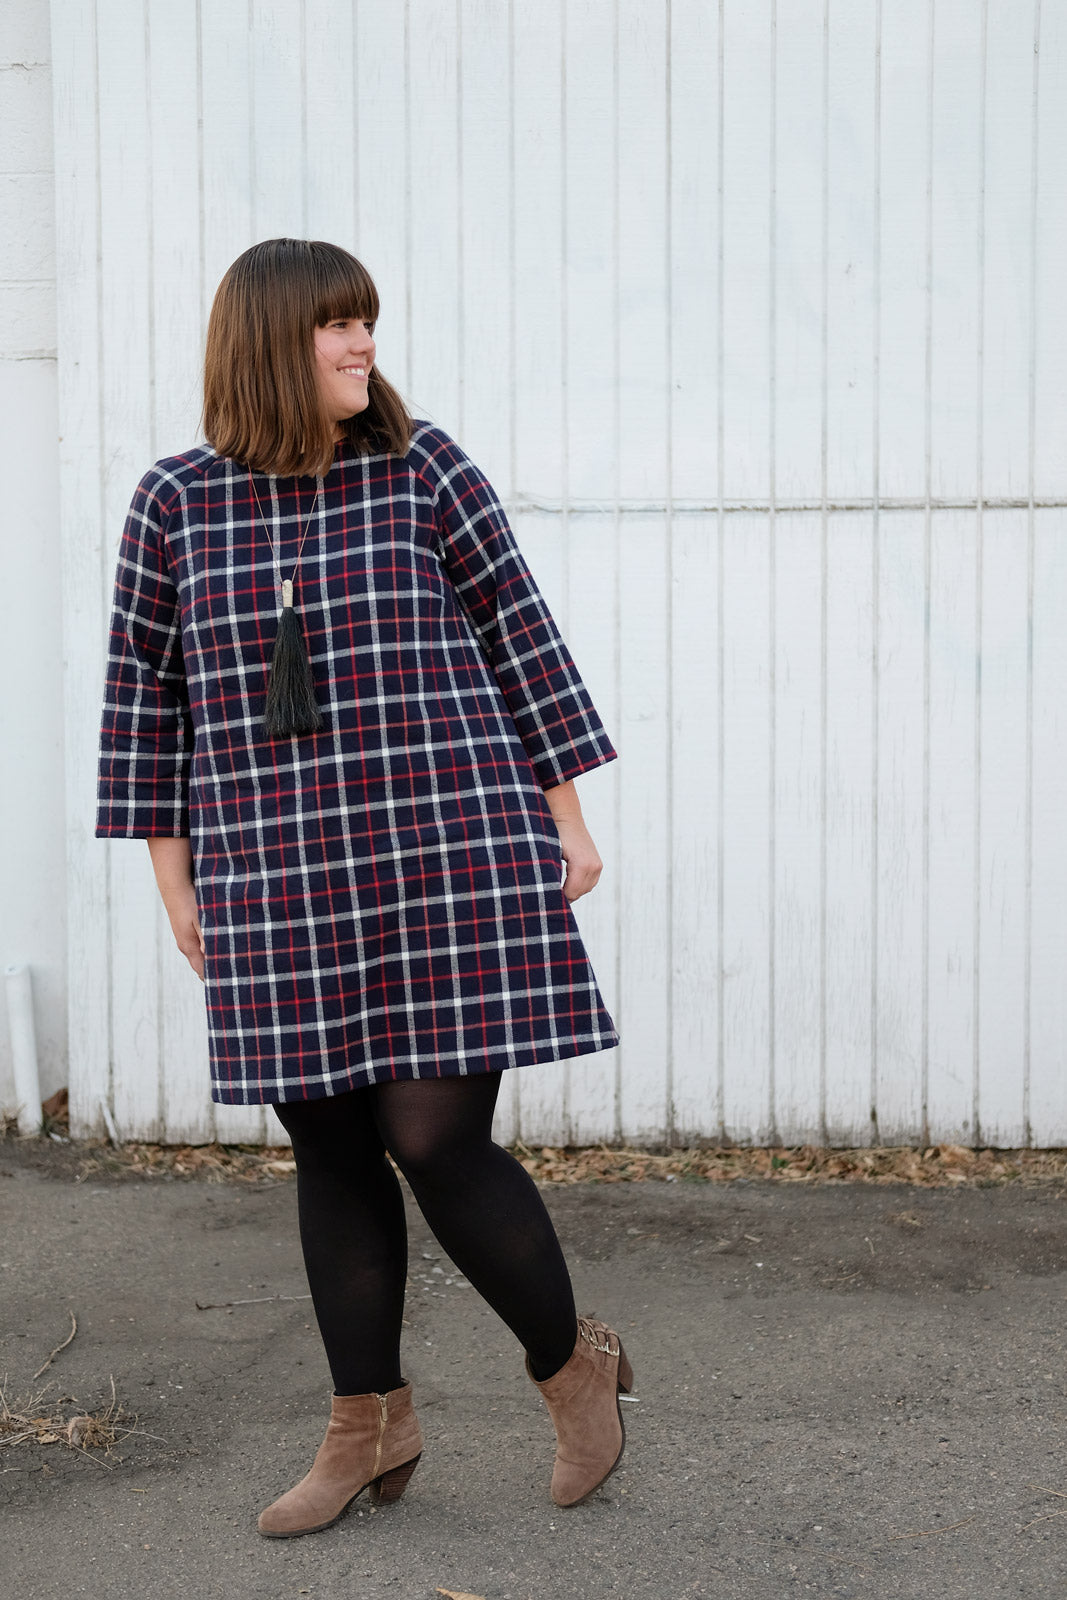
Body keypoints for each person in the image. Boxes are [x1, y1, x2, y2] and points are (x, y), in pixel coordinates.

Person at [96, 238, 632, 1537]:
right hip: (273, 877)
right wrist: (178, 888)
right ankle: (367, 1419)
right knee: (330, 1146)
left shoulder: (421, 468)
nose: (362, 345)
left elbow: (520, 633)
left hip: (443, 851)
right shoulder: (176, 503)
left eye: (368, 323)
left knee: (435, 1138)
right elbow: (145, 708)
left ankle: (573, 1368)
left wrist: (566, 811)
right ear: (272, 343)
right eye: (338, 326)